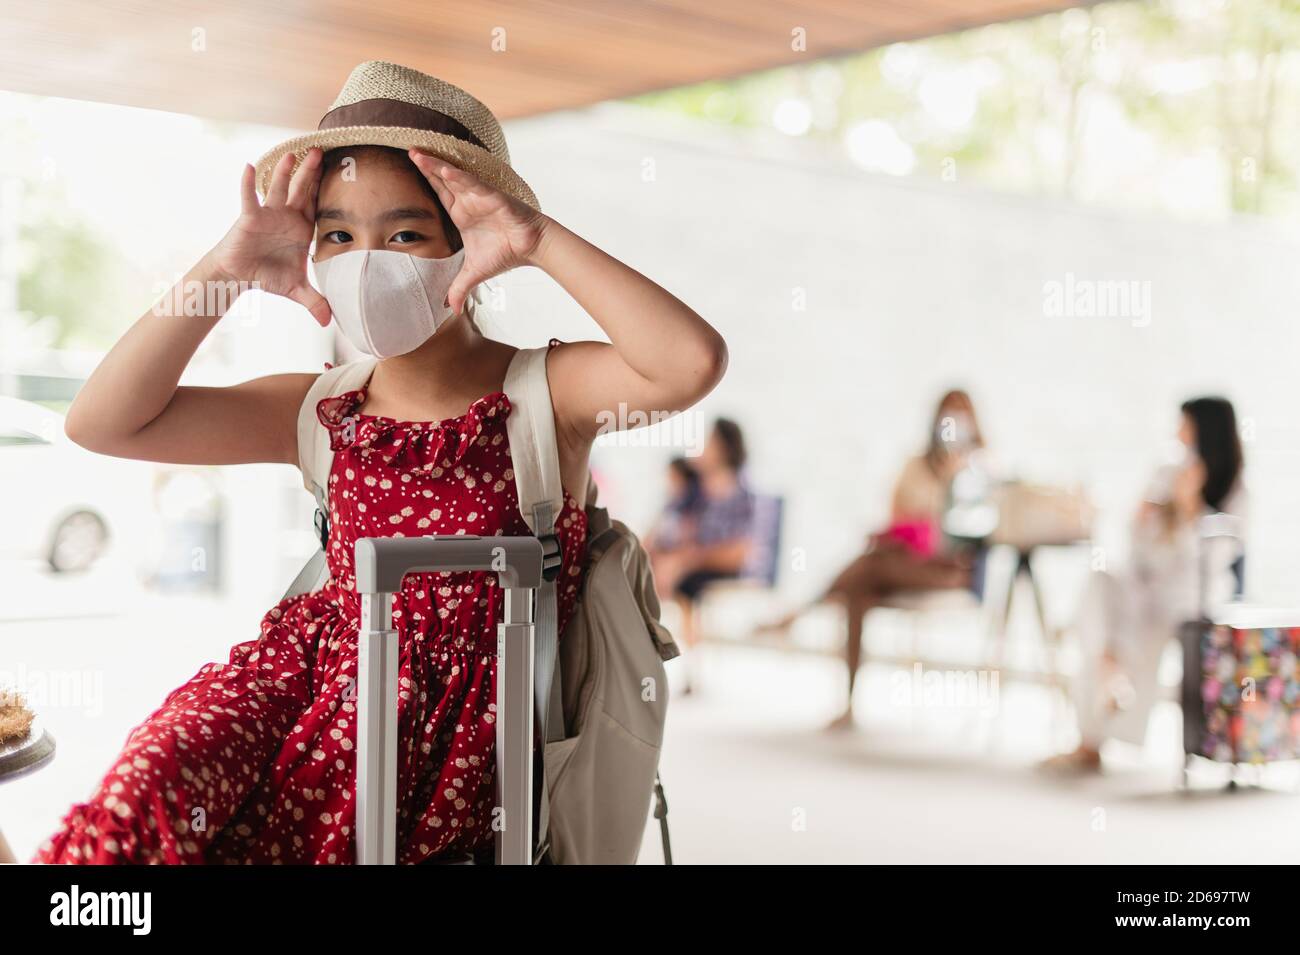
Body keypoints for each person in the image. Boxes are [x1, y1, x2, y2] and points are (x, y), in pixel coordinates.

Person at [32, 61, 727, 864]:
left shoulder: (546, 393)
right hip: (300, 696)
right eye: (338, 235)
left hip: (460, 754)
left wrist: (536, 239)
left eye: (403, 233)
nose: (367, 261)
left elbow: (688, 362)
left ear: (467, 242)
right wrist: (224, 269)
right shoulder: (319, 408)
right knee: (145, 792)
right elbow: (102, 422)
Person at [761, 390, 988, 729]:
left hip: (951, 571)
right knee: (859, 590)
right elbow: (899, 512)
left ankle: (801, 613)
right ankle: (849, 702)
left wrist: (954, 479)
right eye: (947, 415)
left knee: (868, 568)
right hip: (907, 561)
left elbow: (972, 530)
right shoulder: (917, 464)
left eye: (959, 416)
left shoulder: (979, 468)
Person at [1042, 397, 1245, 773]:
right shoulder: (1166, 471)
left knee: (1146, 627)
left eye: (1184, 425)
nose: (1177, 434)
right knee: (1098, 586)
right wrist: (1146, 517)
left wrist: (1189, 511)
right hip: (1142, 581)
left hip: (1188, 596)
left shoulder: (1235, 488)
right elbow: (1137, 545)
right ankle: (1108, 666)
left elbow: (1214, 558)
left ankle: (1102, 713)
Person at [648, 420, 757, 672]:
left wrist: (685, 560)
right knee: (652, 568)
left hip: (714, 563)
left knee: (685, 583)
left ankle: (683, 659)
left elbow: (739, 550)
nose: (703, 447)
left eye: (709, 441)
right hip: (687, 560)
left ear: (724, 448)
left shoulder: (740, 493)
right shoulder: (695, 488)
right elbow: (670, 523)